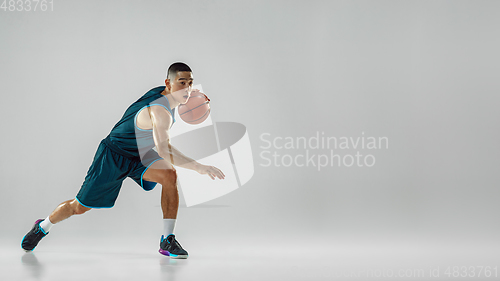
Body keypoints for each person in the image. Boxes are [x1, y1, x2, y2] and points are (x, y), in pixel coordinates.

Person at [21, 62, 225, 259]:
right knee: (79, 207)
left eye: (190, 83)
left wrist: (190, 98)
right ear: (168, 83)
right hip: (113, 155)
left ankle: (167, 239)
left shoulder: (166, 95)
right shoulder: (160, 111)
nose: (187, 88)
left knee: (170, 175)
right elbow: (164, 149)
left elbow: (167, 112)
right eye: (182, 82)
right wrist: (199, 167)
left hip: (140, 154)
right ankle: (43, 226)